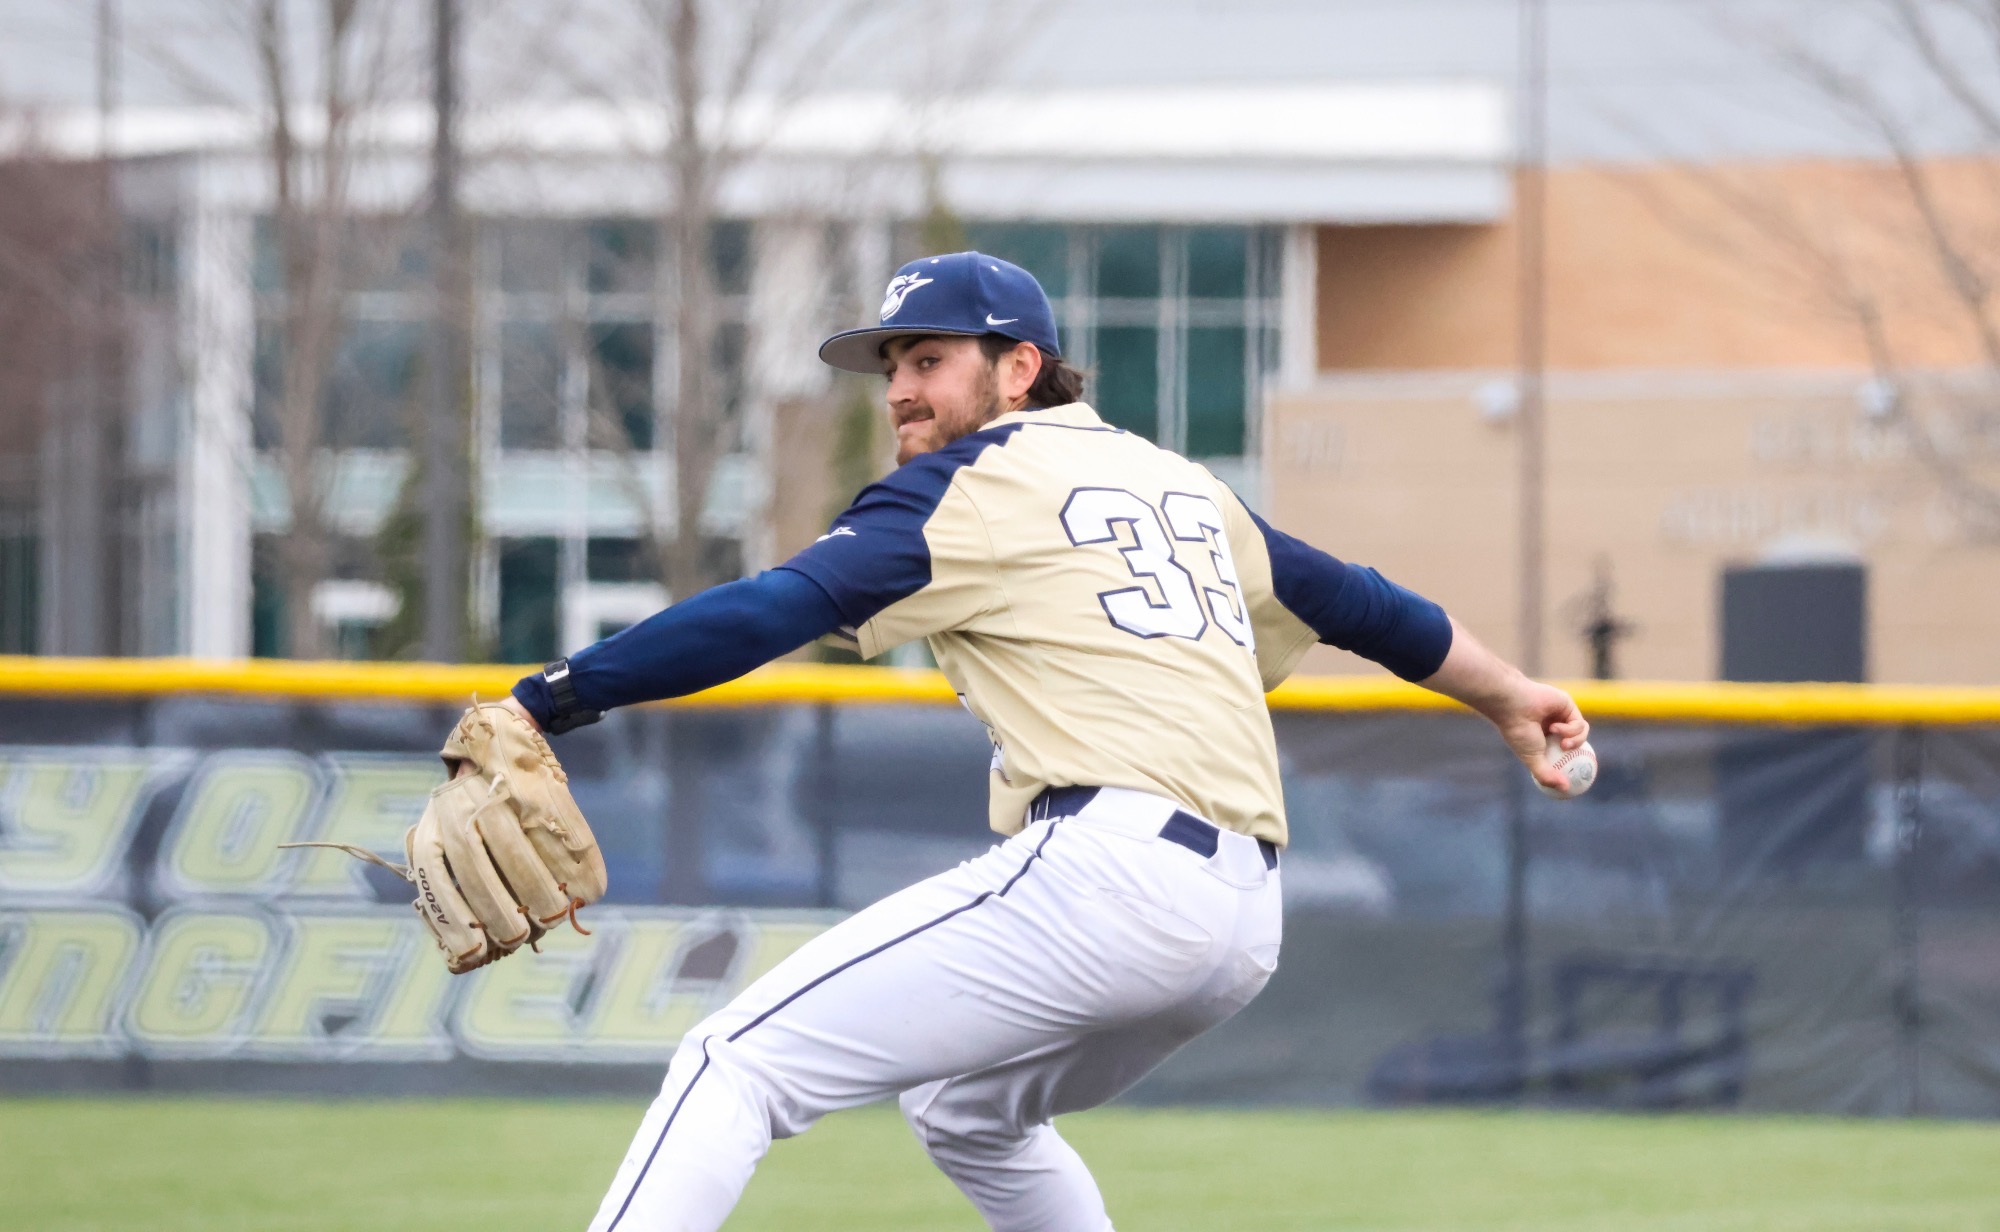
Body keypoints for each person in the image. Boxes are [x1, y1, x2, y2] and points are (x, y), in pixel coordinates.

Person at [498, 251, 1589, 1232]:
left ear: (1019, 367)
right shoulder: (1185, 487)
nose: (900, 392)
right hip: (1241, 918)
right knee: (968, 1112)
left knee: (730, 1060)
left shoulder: (970, 482)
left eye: (927, 358)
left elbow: (764, 610)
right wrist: (1506, 694)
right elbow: (1364, 603)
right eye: (889, 369)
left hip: (1107, 877)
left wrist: (552, 694)